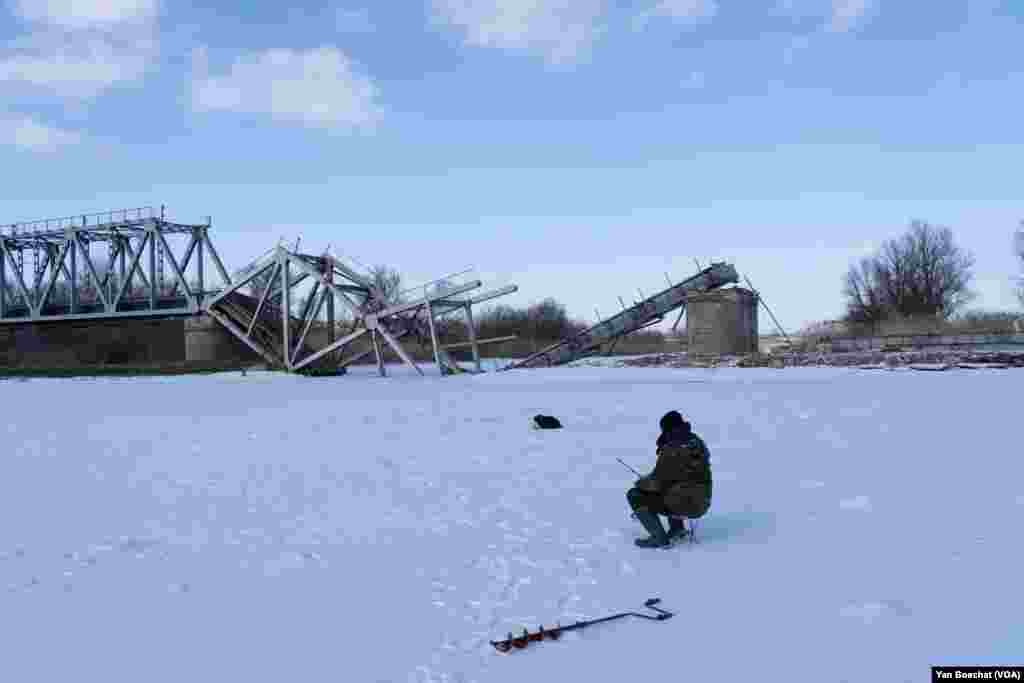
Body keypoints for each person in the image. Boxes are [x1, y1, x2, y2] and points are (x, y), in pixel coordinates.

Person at [626, 410, 713, 548]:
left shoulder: (671, 448)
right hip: (702, 502)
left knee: (634, 494)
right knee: (674, 487)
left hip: (685, 504)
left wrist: (641, 482)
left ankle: (658, 537)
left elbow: (657, 481)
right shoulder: (697, 442)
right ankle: (677, 529)